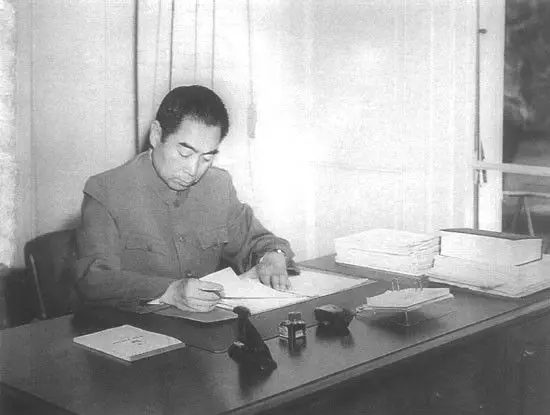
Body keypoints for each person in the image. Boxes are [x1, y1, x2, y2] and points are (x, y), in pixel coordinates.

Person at [75, 85, 297, 313]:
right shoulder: (106, 191)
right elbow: (94, 280)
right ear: (156, 135)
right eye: (185, 153)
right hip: (133, 326)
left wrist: (273, 256)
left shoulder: (218, 185)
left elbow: (258, 241)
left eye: (206, 158)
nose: (192, 170)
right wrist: (168, 290)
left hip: (207, 324)